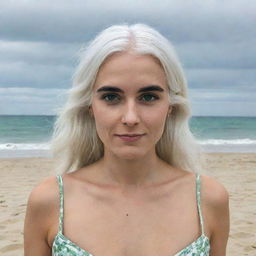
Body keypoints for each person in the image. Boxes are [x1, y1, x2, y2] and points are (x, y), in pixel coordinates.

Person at [23, 24, 229, 256]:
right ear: (90, 106)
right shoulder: (49, 201)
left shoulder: (208, 199)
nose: (130, 117)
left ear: (170, 106)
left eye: (148, 97)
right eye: (111, 97)